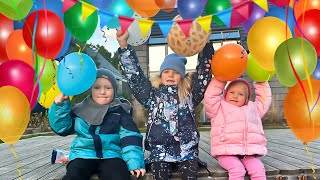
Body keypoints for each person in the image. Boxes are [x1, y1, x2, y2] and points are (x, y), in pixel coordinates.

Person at [116, 29, 215, 180]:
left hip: (187, 151)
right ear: (161, 75)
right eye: (166, 71)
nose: (170, 75)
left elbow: (204, 74)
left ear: (182, 77)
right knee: (160, 176)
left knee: (190, 176)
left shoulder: (190, 94)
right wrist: (123, 45)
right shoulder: (151, 95)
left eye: (175, 72)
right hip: (159, 152)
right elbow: (135, 78)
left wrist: (206, 44)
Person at [48, 68, 145, 180]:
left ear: (115, 90)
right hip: (83, 154)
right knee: (74, 175)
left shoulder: (120, 111)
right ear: (91, 90)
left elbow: (130, 138)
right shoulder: (81, 109)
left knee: (118, 175)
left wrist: (134, 163)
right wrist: (60, 106)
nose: (102, 92)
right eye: (97, 88)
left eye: (108, 88)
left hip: (112, 155)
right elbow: (62, 128)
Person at [204, 78, 272, 180]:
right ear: (225, 93)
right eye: (232, 92)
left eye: (240, 94)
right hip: (226, 153)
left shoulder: (254, 108)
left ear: (246, 98)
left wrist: (261, 81)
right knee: (237, 169)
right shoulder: (218, 108)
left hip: (248, 154)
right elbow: (211, 96)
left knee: (258, 169)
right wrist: (221, 79)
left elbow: (264, 99)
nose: (235, 96)